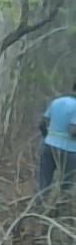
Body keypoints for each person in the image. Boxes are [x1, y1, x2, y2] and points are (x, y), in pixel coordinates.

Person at [38, 82, 76, 212]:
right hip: (69, 150)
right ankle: (59, 213)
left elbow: (42, 123)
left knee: (44, 180)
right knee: (66, 184)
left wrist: (47, 137)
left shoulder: (56, 102)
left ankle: (38, 209)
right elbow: (72, 131)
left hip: (49, 145)